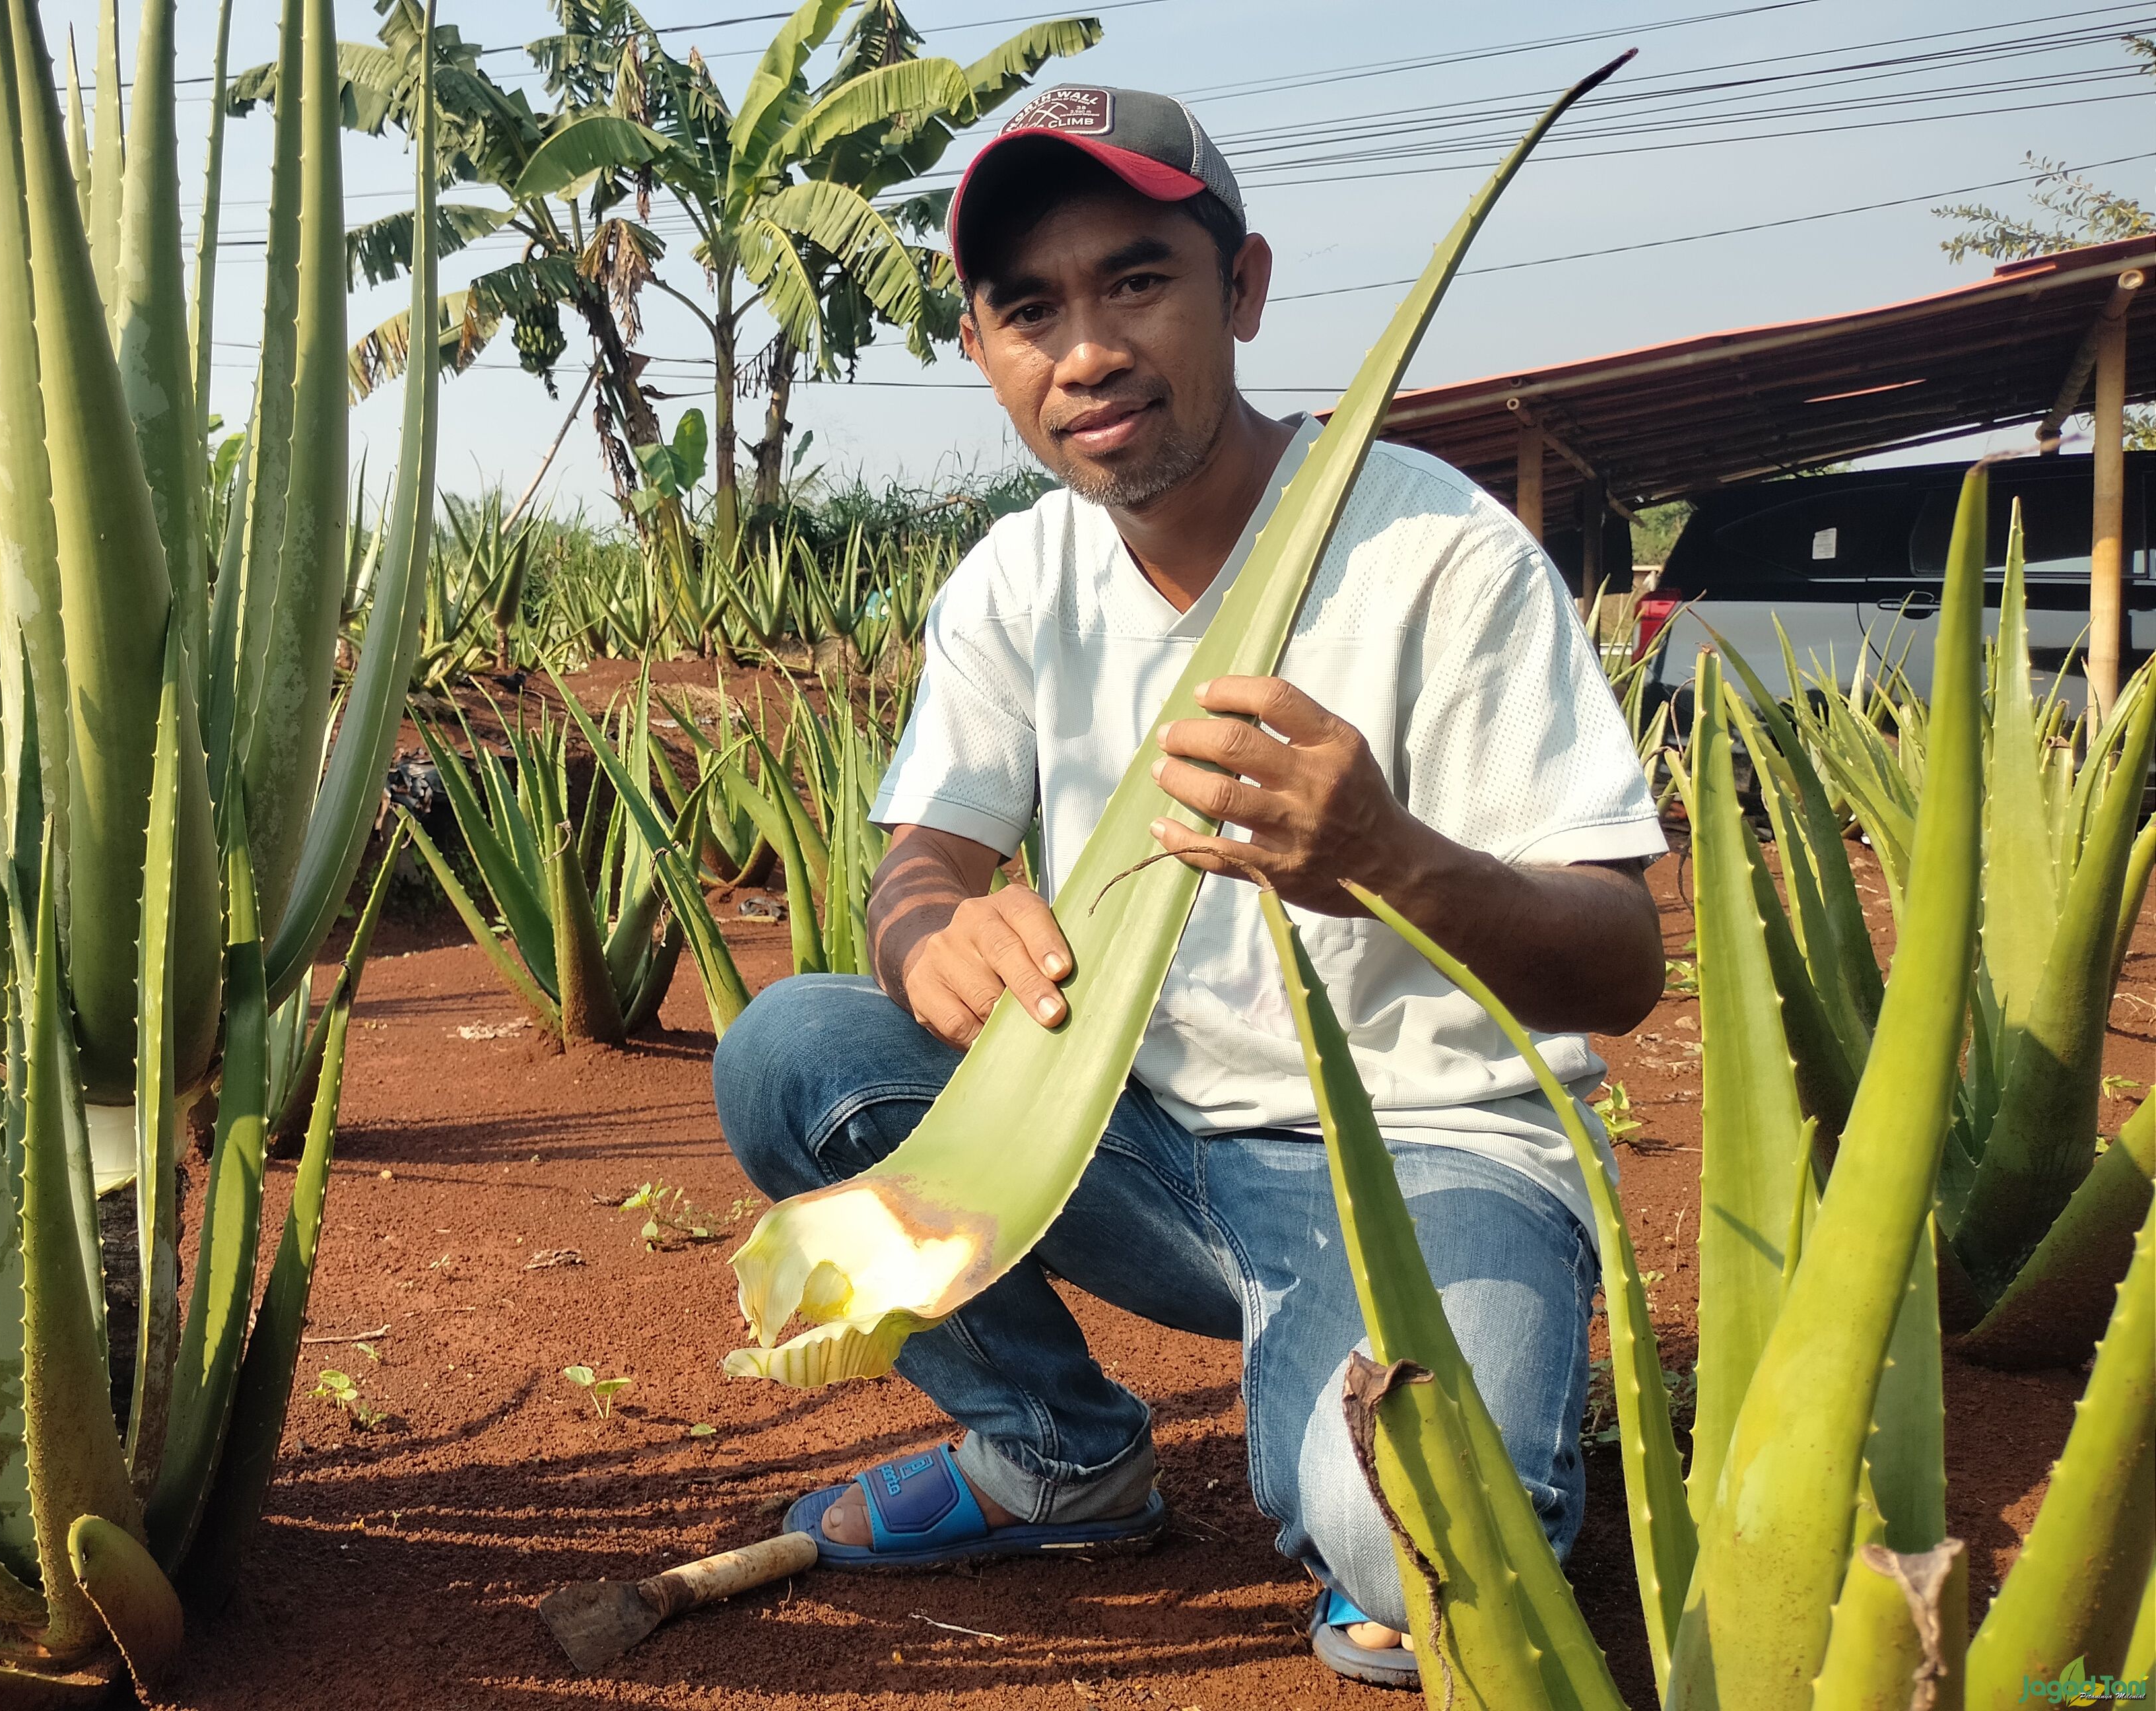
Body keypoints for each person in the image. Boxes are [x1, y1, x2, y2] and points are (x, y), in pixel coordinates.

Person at [710, 85, 1666, 1691]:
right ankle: (1064, 1457)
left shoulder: (1441, 551)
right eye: (1032, 309)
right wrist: (931, 931)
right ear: (987, 350)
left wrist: (1387, 859)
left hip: (1423, 1152)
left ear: (1244, 288)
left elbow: (1622, 960)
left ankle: (1438, 1427)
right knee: (801, 1049)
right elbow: (921, 863)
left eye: (1137, 281)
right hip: (1129, 1142)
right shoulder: (1019, 578)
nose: (1085, 349)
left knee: (1411, 1577)